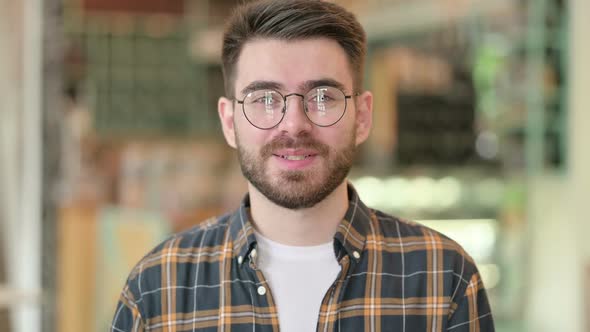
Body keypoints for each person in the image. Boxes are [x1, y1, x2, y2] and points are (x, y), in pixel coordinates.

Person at [110, 0, 495, 331]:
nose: (294, 124)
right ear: (229, 122)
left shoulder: (442, 280)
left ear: (362, 116)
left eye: (323, 96)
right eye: (264, 98)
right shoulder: (158, 289)